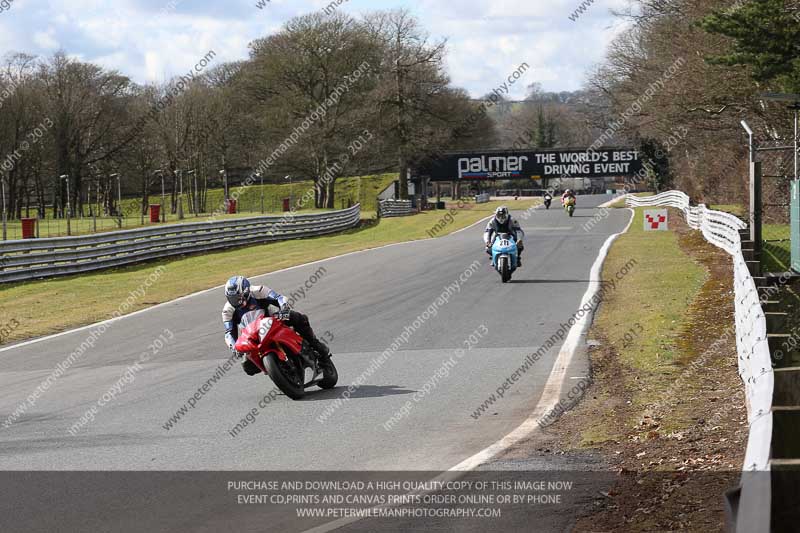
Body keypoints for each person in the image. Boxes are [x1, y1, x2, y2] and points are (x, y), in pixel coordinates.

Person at [222, 276, 334, 377]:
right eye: (232, 299)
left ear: (246, 292)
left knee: (298, 318)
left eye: (238, 297)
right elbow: (228, 333)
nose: (235, 302)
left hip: (272, 321)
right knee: (248, 367)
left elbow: (279, 298)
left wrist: (284, 308)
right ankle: (278, 372)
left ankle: (316, 345)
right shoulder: (228, 310)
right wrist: (234, 347)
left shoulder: (258, 291)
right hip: (251, 336)